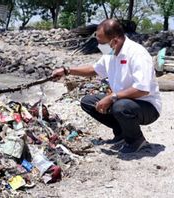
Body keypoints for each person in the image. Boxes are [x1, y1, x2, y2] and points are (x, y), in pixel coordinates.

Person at [52, 19, 161, 153]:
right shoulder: (110, 53)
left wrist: (112, 97)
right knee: (88, 102)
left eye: (101, 42)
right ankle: (121, 133)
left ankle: (136, 141)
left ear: (114, 40)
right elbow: (94, 69)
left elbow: (142, 89)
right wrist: (67, 71)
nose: (99, 45)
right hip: (124, 100)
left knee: (119, 106)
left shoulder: (137, 53)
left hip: (147, 106)